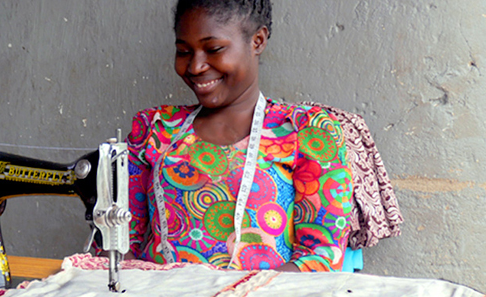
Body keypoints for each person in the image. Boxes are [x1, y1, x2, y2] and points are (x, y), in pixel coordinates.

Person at [125, 0, 352, 272]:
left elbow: (321, 256)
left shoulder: (307, 130)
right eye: (184, 51)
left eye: (214, 49)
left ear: (257, 41)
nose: (195, 66)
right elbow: (123, 244)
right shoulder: (155, 127)